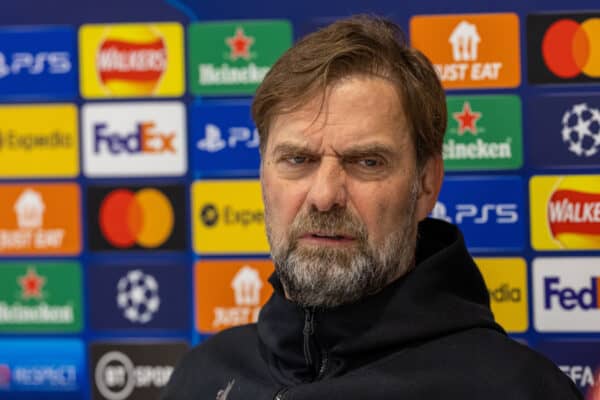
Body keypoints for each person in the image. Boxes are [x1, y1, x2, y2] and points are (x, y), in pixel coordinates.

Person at [162, 15, 582, 400]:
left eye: (366, 162)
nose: (325, 195)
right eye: (298, 160)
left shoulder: (518, 390)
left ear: (426, 183)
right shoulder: (201, 377)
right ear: (262, 174)